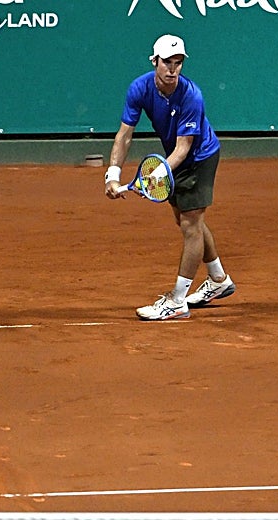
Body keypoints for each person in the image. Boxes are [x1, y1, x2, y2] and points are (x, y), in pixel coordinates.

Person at [105, 34, 235, 321]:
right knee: (187, 220)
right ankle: (218, 280)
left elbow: (183, 148)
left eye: (178, 63)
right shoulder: (139, 88)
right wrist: (112, 175)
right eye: (166, 62)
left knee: (191, 225)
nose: (172, 69)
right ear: (155, 61)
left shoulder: (191, 95)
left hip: (199, 158)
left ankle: (176, 301)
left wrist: (153, 176)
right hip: (173, 160)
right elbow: (125, 135)